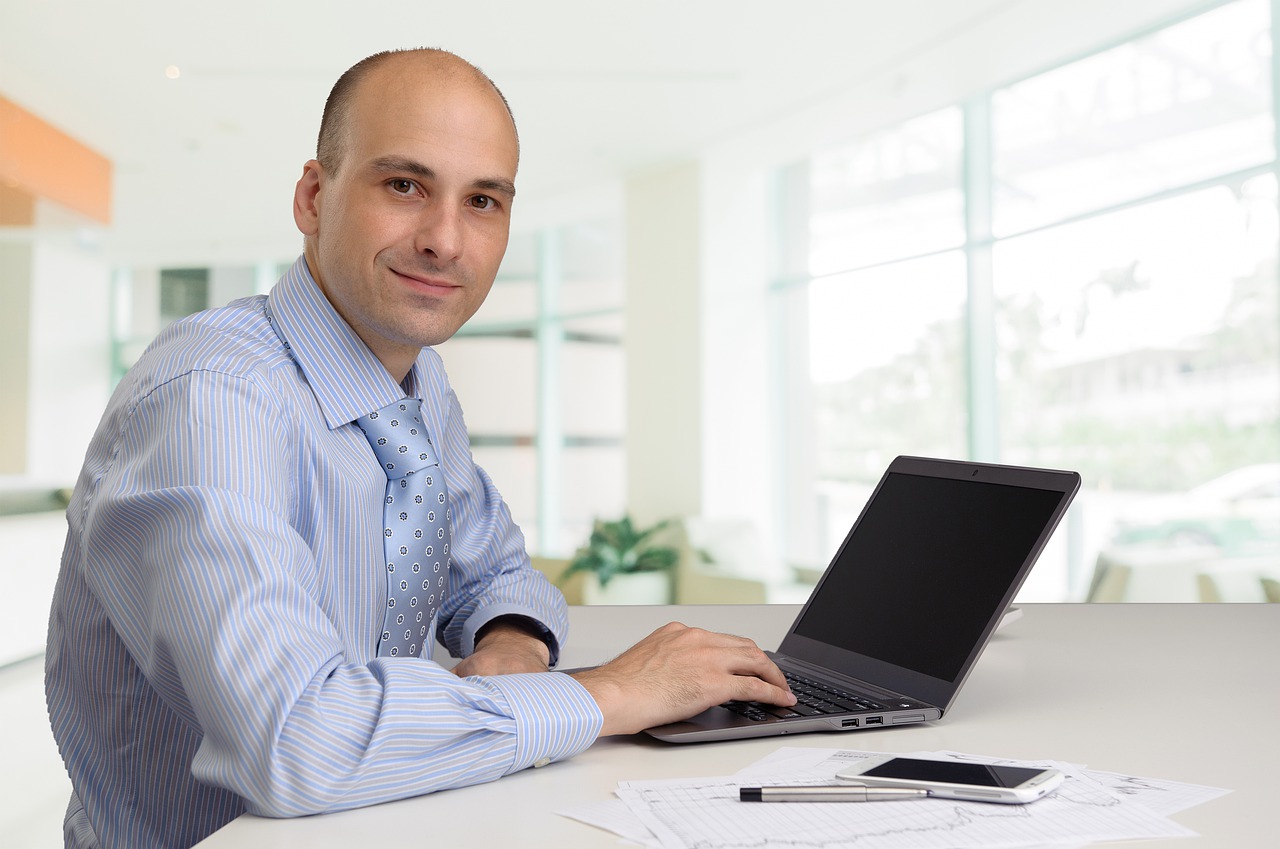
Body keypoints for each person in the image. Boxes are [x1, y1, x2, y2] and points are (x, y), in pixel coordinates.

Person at [45, 47, 795, 849]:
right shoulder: (215, 398)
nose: (445, 240)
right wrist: (608, 693)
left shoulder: (416, 386)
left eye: (483, 201)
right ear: (313, 195)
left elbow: (495, 572)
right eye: (405, 185)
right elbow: (298, 738)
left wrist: (513, 639)